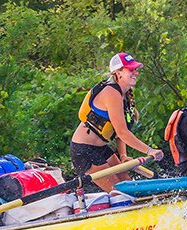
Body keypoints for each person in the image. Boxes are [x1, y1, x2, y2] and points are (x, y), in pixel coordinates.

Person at [70, 52, 163, 192]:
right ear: (118, 73)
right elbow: (122, 132)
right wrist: (149, 150)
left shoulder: (126, 94)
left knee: (130, 187)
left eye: (136, 69)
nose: (136, 73)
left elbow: (120, 132)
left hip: (101, 148)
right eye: (131, 70)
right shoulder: (111, 92)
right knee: (120, 192)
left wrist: (123, 155)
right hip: (83, 150)